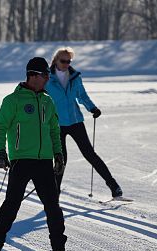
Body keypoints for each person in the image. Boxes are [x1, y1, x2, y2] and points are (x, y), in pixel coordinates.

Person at [0, 57, 69, 251]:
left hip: (44, 161)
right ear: (32, 75)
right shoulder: (12, 100)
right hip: (21, 161)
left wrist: (58, 154)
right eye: (45, 76)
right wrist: (1, 152)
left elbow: (54, 129)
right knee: (11, 206)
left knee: (53, 208)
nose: (47, 80)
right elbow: (0, 128)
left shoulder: (47, 101)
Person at [45, 47, 123, 198]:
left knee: (90, 154)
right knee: (61, 159)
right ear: (55, 60)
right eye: (63, 61)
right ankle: (55, 192)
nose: (66, 64)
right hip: (56, 124)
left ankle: (113, 185)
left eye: (69, 61)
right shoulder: (47, 78)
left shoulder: (74, 76)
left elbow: (82, 96)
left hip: (75, 121)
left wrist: (92, 108)